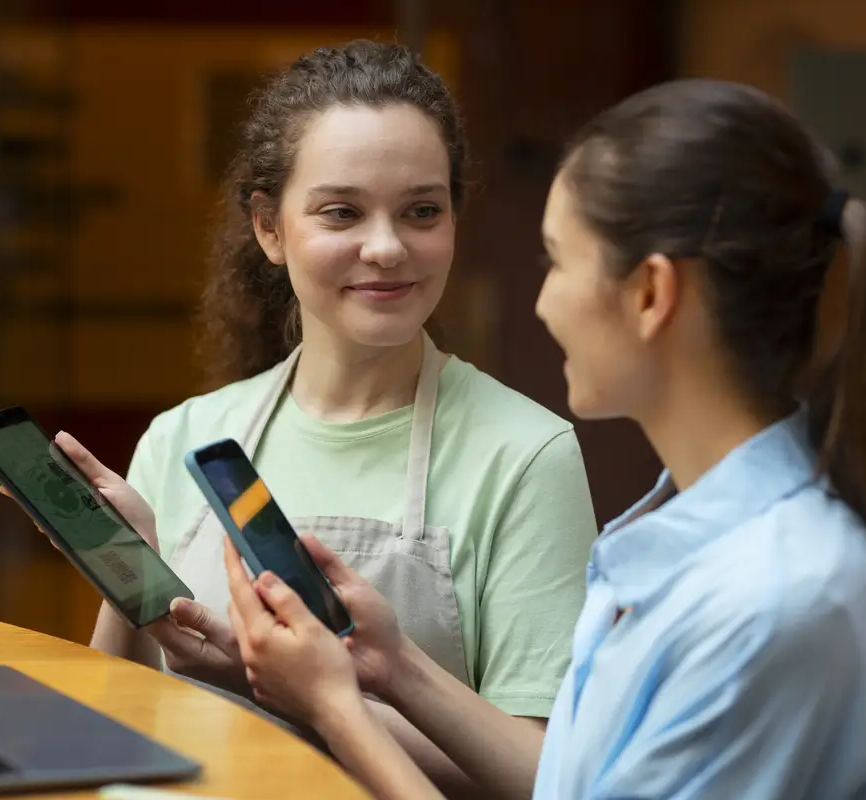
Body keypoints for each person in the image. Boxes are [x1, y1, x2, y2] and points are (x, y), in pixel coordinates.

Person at [219, 77, 866, 799]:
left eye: (557, 261)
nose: (541, 303)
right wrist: (393, 666)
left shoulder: (773, 597)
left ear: (651, 295)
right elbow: (574, 782)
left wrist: (334, 711)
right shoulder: (675, 538)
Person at [33, 40, 598, 796]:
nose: (388, 246)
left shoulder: (526, 455)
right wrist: (122, 577)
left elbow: (546, 773)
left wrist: (300, 693)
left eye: (422, 211)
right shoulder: (185, 435)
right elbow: (118, 717)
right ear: (270, 228)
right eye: (342, 212)